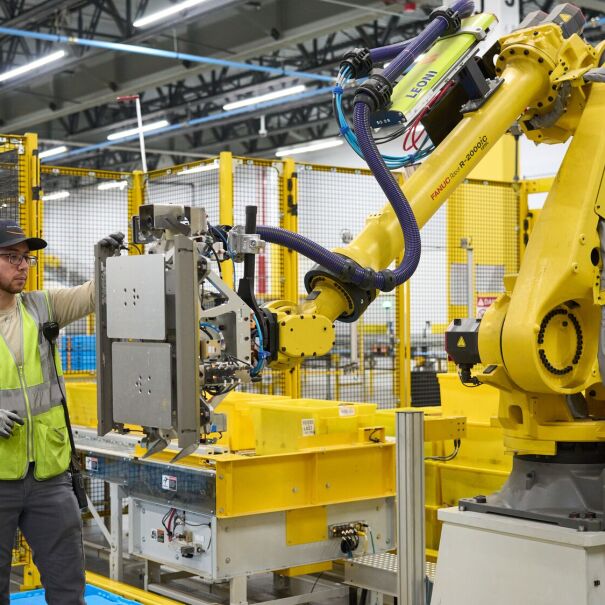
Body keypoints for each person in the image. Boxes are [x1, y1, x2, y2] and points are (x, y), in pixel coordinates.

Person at [0, 219, 123, 605]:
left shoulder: (41, 307)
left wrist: (105, 263)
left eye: (26, 259)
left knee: (69, 584)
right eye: (10, 257)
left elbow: (94, 295)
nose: (22, 266)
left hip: (50, 475)